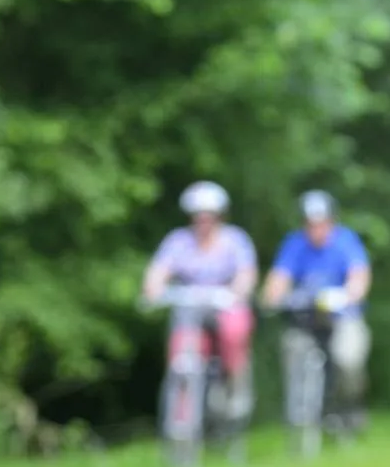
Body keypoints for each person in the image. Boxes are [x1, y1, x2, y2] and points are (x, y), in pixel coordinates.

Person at [261, 190, 373, 434]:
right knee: (291, 348)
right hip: (306, 319)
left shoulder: (346, 241)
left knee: (348, 358)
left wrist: (349, 294)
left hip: (342, 316)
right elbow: (278, 279)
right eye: (310, 224)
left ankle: (350, 406)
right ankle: (299, 417)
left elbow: (359, 276)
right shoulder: (294, 244)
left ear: (331, 221)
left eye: (321, 223)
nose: (316, 229)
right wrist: (272, 297)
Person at [141, 180, 258, 407]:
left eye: (209, 216)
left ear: (219, 216)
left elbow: (246, 275)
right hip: (190, 311)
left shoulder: (234, 240)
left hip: (225, 307)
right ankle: (182, 418)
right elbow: (158, 271)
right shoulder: (178, 241)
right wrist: (152, 290)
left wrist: (235, 294)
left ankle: (234, 386)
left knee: (234, 334)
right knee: (179, 353)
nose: (203, 221)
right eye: (198, 216)